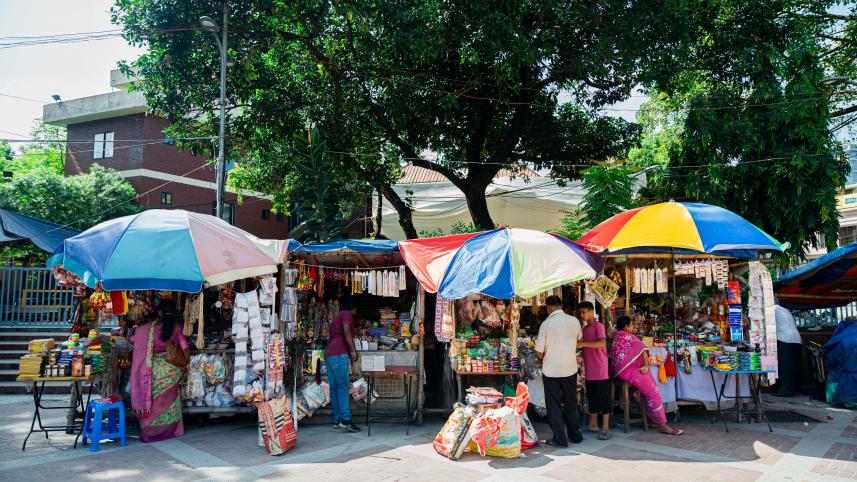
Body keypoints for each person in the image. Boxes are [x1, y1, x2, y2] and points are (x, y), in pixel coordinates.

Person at [130, 299, 190, 443]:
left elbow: (133, 339)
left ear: (159, 312)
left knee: (152, 400)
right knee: (170, 401)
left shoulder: (148, 328)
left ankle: (151, 430)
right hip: (171, 369)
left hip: (152, 369)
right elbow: (185, 348)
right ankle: (169, 429)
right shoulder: (176, 327)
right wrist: (185, 364)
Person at [611, 316, 683, 435]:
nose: (633, 327)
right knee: (653, 391)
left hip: (619, 372)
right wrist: (645, 365)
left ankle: (649, 414)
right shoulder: (630, 337)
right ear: (626, 326)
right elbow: (643, 349)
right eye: (631, 325)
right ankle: (661, 424)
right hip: (630, 371)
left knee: (644, 391)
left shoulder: (616, 337)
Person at [535, 295, 583, 447]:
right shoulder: (574, 321)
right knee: (571, 403)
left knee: (554, 405)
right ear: (561, 305)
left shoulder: (546, 324)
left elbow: (539, 353)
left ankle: (560, 439)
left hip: (551, 370)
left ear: (548, 307)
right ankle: (575, 436)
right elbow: (578, 339)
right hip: (570, 368)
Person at [576, 302, 611, 441]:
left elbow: (602, 343)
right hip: (589, 370)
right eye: (581, 313)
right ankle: (593, 424)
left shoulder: (599, 326)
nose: (582, 315)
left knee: (604, 399)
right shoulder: (585, 329)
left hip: (601, 370)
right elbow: (585, 348)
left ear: (591, 311)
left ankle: (606, 428)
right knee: (592, 398)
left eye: (584, 312)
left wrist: (583, 344)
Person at [325, 298, 360, 432]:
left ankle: (337, 419)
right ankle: (346, 420)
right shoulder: (347, 315)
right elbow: (346, 331)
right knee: (342, 387)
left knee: (334, 388)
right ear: (354, 308)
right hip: (339, 354)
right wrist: (353, 350)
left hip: (329, 354)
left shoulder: (336, 317)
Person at [775, 303, 802, 397]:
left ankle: (784, 391)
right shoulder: (784, 309)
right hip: (797, 340)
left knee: (785, 366)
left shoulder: (772, 309)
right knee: (792, 367)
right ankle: (790, 390)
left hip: (786, 340)